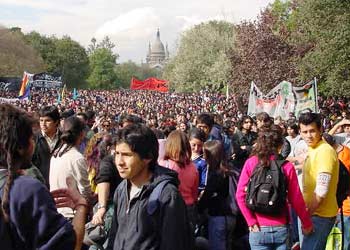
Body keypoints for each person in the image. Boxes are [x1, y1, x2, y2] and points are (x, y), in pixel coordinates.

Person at [0, 103, 88, 250]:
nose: (33, 142)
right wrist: (81, 205)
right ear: (21, 147)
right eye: (31, 138)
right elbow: (71, 245)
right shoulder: (27, 190)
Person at [107, 124, 194, 250]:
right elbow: (114, 236)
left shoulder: (167, 195)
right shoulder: (122, 189)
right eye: (117, 153)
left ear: (147, 157)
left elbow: (174, 243)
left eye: (127, 155)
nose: (119, 161)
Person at [236, 125, 313, 250]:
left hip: (258, 228)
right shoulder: (286, 166)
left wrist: (250, 220)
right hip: (281, 226)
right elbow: (296, 199)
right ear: (280, 146)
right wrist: (306, 223)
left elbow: (240, 195)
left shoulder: (251, 163)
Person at [299, 112, 339, 249]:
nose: (308, 135)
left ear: (321, 130)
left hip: (320, 215)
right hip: (313, 214)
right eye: (304, 132)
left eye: (312, 131)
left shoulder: (324, 151)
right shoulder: (313, 149)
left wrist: (306, 217)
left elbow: (321, 191)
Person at [50, 116, 94, 219]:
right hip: (71, 215)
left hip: (56, 212)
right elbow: (85, 192)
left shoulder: (56, 154)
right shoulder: (76, 158)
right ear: (82, 134)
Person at [159, 130, 199, 234]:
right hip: (189, 208)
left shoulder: (164, 165)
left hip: (170, 208)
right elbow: (194, 194)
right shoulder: (193, 167)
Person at [198, 140, 235, 250]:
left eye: (205, 154)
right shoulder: (231, 169)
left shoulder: (216, 174)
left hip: (218, 216)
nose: (203, 156)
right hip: (232, 216)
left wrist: (198, 208)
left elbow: (207, 196)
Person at [32, 105, 62, 187]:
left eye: (47, 121)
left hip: (60, 185)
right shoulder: (33, 139)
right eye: (41, 120)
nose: (43, 124)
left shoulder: (64, 139)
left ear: (56, 122)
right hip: (39, 185)